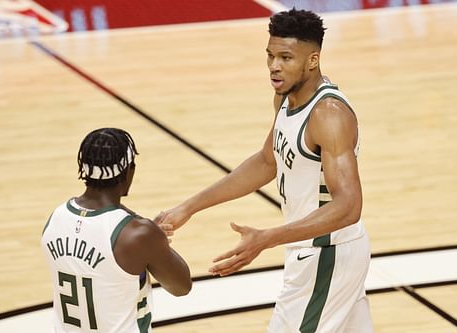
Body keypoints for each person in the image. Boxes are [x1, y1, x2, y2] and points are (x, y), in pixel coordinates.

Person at [160, 8, 373, 333]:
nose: (274, 66)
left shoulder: (328, 116)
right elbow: (266, 162)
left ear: (313, 60)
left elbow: (349, 206)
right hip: (315, 252)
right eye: (271, 56)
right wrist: (187, 208)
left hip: (326, 255)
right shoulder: (286, 97)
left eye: (286, 58)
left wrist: (268, 238)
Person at [41, 128, 191, 333]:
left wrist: (147, 236)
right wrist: (154, 240)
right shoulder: (139, 234)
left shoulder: (56, 217)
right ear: (129, 170)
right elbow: (181, 287)